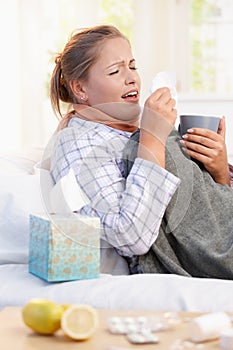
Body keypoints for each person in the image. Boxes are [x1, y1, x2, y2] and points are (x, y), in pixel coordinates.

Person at [49, 25, 233, 278]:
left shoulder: (130, 129)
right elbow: (130, 234)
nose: (132, 78)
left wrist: (220, 172)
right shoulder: (80, 144)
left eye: (132, 66)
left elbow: (210, 215)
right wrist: (153, 136)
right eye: (115, 70)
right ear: (80, 89)